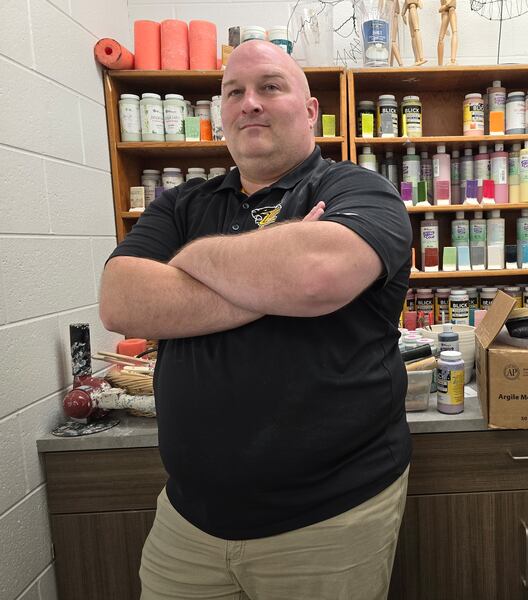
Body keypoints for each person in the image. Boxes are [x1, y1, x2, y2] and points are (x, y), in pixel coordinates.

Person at [99, 40, 413, 600]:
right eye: (234, 92)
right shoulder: (180, 203)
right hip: (187, 522)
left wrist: (190, 261)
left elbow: (317, 275)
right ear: (221, 112)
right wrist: (272, 270)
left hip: (329, 521)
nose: (250, 103)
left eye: (270, 87)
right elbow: (122, 302)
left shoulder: (358, 189)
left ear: (311, 110)